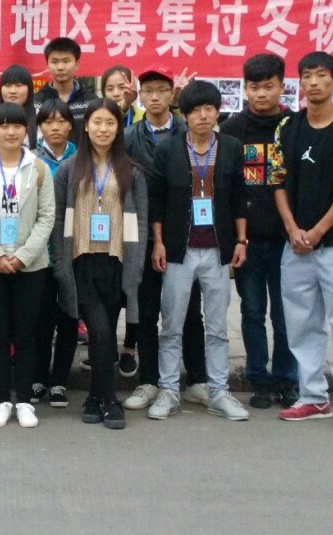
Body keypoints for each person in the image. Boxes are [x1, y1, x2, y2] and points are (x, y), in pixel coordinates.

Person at [270, 51, 333, 435]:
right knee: (301, 326)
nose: (313, 83)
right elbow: (277, 180)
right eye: (307, 76)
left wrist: (317, 232)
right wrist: (292, 228)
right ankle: (313, 396)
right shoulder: (288, 127)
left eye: (320, 75)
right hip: (295, 246)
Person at [148, 80, 250, 422]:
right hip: (179, 250)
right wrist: (159, 242)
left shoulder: (231, 147)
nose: (203, 116)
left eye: (209, 109)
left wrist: (241, 240)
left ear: (217, 111)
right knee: (172, 324)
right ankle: (168, 389)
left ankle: (218, 391)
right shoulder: (169, 149)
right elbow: (157, 200)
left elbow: (239, 197)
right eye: (195, 110)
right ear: (185, 115)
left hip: (218, 250)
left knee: (218, 327)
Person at [51, 98, 147, 429]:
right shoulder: (69, 169)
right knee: (101, 331)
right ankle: (110, 400)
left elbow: (140, 224)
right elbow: (57, 221)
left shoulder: (132, 171)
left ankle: (94, 398)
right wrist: (60, 263)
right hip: (81, 262)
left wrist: (136, 268)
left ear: (118, 128)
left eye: (110, 123)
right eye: (97, 122)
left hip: (117, 262)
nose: (103, 129)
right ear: (86, 127)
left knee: (103, 334)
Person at [122, 66, 208, 412]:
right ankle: (148, 381)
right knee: (145, 309)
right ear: (140, 96)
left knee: (189, 310)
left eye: (161, 90)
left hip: (184, 233)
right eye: (148, 91)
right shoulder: (130, 136)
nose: (154, 97)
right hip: (142, 234)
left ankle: (197, 380)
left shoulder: (189, 131)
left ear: (173, 95)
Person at [0, 103, 55, 428]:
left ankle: (25, 402)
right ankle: (3, 400)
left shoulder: (39, 168)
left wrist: (23, 255)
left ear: (26, 130)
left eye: (17, 126)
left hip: (31, 266)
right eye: (3, 126)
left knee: (27, 334)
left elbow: (47, 217)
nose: (11, 132)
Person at [219, 53, 298, 409]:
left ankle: (287, 380)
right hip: (248, 241)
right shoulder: (232, 130)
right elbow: (228, 189)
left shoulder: (295, 127)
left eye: (269, 86)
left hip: (287, 241)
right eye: (254, 87)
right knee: (252, 312)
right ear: (245, 88)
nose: (261, 94)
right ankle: (258, 379)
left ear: (282, 86)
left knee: (285, 315)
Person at [32, 98, 78, 407]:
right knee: (41, 318)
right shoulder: (31, 160)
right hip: (42, 251)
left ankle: (60, 379)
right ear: (40, 127)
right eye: (48, 122)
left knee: (69, 317)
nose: (55, 127)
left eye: (61, 121)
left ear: (70, 125)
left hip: (75, 251)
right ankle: (38, 377)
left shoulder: (82, 158)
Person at [32, 37, 96, 144]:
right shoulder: (36, 102)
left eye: (66, 61)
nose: (60, 67)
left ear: (77, 64)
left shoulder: (91, 102)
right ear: (47, 65)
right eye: (55, 62)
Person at [0, 64, 38, 149]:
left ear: (29, 89)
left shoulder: (39, 116)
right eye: (8, 86)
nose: (13, 91)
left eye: (19, 85)